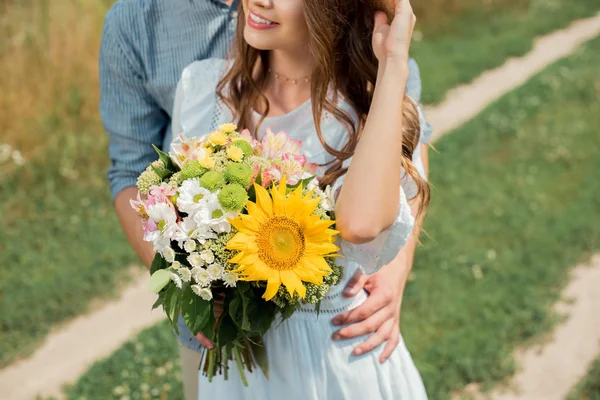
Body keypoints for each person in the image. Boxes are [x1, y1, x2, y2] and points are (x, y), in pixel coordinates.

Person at [99, 0, 431, 398]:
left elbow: (360, 225)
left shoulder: (367, 106)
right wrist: (196, 283)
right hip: (237, 371)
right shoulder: (205, 88)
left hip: (340, 359)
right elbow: (154, 195)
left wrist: (393, 63)